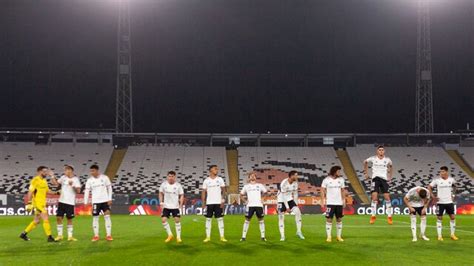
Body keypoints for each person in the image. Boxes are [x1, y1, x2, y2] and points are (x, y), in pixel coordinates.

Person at [19, 166, 56, 242]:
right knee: (45, 218)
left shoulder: (44, 181)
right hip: (37, 203)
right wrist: (29, 203)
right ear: (39, 172)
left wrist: (57, 192)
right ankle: (49, 237)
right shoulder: (35, 180)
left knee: (36, 221)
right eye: (44, 171)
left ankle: (23, 234)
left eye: (46, 171)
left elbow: (48, 191)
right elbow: (30, 192)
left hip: (42, 203)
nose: (46, 173)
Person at [364, 145, 394, 225]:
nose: (381, 151)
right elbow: (365, 162)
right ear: (377, 151)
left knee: (387, 197)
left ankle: (389, 217)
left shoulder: (387, 160)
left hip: (384, 179)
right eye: (379, 150)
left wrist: (390, 177)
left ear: (384, 151)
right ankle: (373, 216)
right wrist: (366, 173)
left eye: (382, 150)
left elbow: (391, 166)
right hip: (375, 179)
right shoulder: (373, 158)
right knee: (374, 197)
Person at [51, 165, 81, 241]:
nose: (65, 172)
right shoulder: (63, 177)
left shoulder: (76, 179)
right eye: (65, 170)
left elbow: (78, 191)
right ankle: (60, 235)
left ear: (70, 170)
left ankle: (70, 236)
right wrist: (52, 176)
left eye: (66, 170)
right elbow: (56, 184)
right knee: (58, 218)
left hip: (70, 202)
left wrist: (73, 185)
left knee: (69, 219)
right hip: (61, 201)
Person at [428, 166, 458, 241]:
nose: (441, 173)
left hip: (449, 202)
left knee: (453, 217)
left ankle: (452, 234)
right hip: (440, 203)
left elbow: (455, 187)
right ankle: (439, 236)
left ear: (446, 172)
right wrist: (433, 196)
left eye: (443, 171)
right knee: (439, 218)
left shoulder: (451, 180)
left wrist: (453, 195)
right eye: (440, 171)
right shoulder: (437, 180)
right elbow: (429, 187)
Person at [84, 165, 113, 241]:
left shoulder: (104, 178)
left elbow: (109, 188)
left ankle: (109, 235)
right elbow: (87, 191)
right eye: (91, 171)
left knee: (107, 216)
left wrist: (109, 198)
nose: (91, 172)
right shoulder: (89, 180)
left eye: (93, 171)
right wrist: (85, 201)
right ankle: (96, 236)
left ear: (97, 171)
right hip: (96, 202)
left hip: (105, 201)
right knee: (95, 218)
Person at [240, 172, 268, 241]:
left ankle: (263, 237)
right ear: (249, 178)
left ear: (255, 177)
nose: (252, 177)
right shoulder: (246, 186)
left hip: (259, 205)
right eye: (251, 176)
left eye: (254, 176)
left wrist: (263, 199)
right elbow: (241, 195)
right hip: (250, 206)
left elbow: (266, 192)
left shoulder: (260, 185)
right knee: (247, 220)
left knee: (261, 220)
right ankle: (243, 237)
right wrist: (245, 201)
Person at [202, 165, 227, 242]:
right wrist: (203, 203)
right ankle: (208, 237)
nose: (217, 170)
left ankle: (222, 237)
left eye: (217, 169)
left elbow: (224, 191)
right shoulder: (206, 181)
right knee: (208, 219)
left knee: (220, 219)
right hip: (209, 203)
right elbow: (203, 192)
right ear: (211, 170)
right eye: (215, 169)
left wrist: (223, 200)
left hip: (218, 202)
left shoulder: (220, 179)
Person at [277, 170, 304, 241]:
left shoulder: (295, 183)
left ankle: (298, 231)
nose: (297, 176)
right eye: (296, 175)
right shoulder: (284, 183)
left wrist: (296, 204)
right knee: (281, 217)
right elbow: (283, 196)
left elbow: (295, 194)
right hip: (281, 200)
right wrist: (287, 208)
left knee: (298, 212)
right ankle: (282, 236)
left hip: (290, 199)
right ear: (291, 176)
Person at [321, 166, 346, 242]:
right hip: (330, 203)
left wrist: (344, 200)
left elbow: (343, 190)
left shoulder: (341, 180)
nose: (339, 173)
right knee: (329, 219)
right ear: (334, 172)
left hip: (339, 203)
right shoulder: (326, 180)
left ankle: (339, 236)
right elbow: (322, 190)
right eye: (338, 171)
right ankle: (329, 237)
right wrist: (322, 201)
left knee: (339, 219)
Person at [159, 171, 184, 243]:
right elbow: (160, 193)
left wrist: (181, 205)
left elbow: (182, 195)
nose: (170, 178)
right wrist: (161, 202)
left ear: (175, 177)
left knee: (177, 220)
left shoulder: (178, 185)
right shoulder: (164, 184)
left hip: (175, 207)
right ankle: (170, 235)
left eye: (172, 176)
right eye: (169, 176)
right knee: (163, 220)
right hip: (166, 206)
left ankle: (178, 237)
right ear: (167, 177)